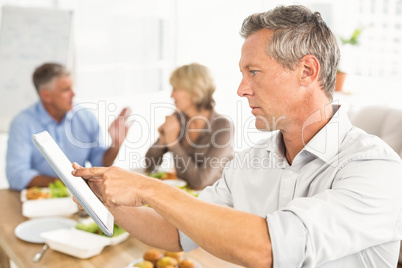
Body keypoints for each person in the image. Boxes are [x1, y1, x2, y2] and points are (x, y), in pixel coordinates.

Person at [72, 5, 402, 268]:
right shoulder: (249, 162)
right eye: (243, 74)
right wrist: (105, 198)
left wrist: (146, 187)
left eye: (254, 72)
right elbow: (176, 232)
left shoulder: (375, 168)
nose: (242, 89)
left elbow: (269, 249)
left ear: (307, 71)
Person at [6, 63, 131, 191]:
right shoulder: (22, 123)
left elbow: (100, 164)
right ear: (46, 96)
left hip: (79, 197)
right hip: (41, 200)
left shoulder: (85, 117)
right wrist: (69, 181)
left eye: (72, 88)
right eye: (66, 90)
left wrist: (115, 145)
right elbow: (17, 176)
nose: (73, 94)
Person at [145, 63, 234, 189]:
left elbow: (200, 181)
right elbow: (150, 164)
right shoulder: (178, 119)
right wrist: (163, 138)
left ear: (194, 92)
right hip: (184, 197)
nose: (171, 95)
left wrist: (173, 143)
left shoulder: (222, 126)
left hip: (215, 201)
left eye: (175, 89)